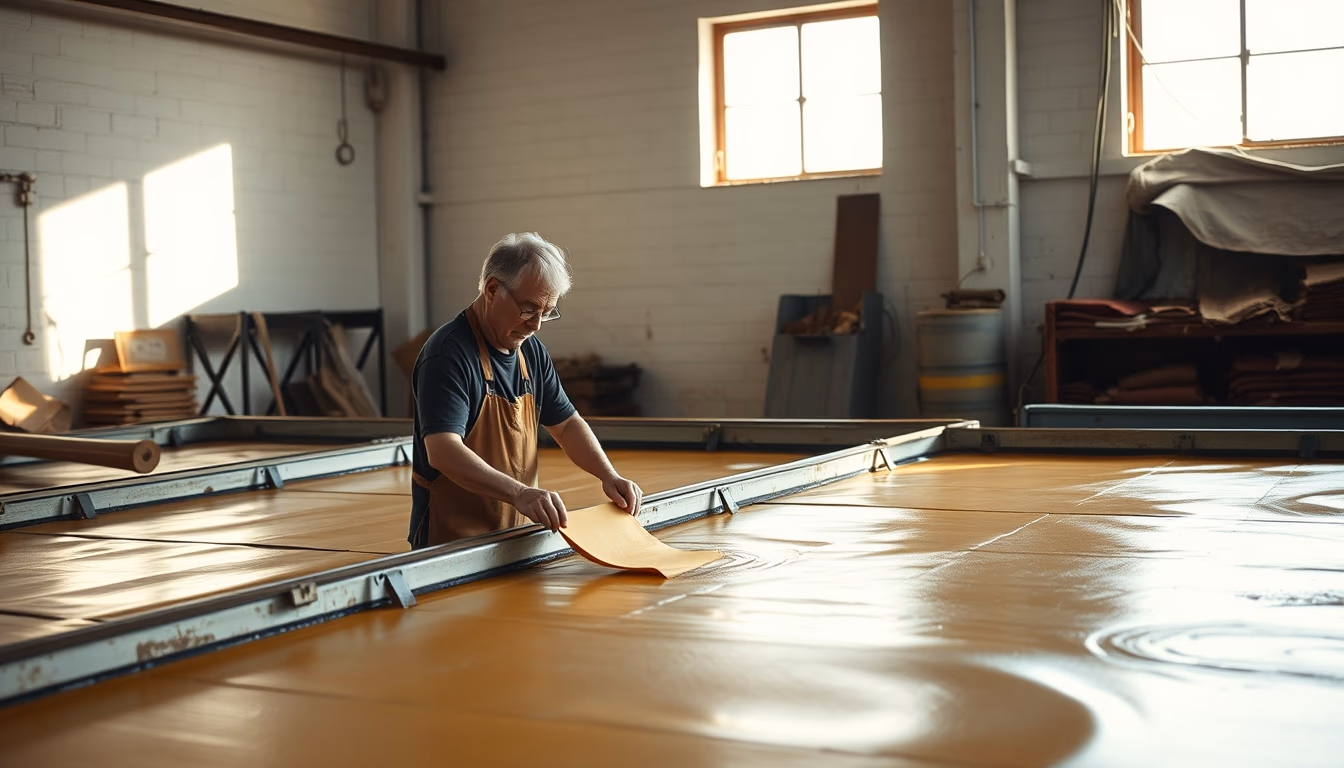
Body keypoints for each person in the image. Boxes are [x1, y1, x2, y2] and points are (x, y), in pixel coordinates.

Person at [408, 232, 643, 548]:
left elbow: (567, 424)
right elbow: (443, 451)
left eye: (548, 313)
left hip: (516, 539)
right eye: (529, 309)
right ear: (493, 290)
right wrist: (519, 493)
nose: (537, 325)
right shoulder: (448, 355)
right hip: (451, 542)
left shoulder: (531, 353)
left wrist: (608, 475)